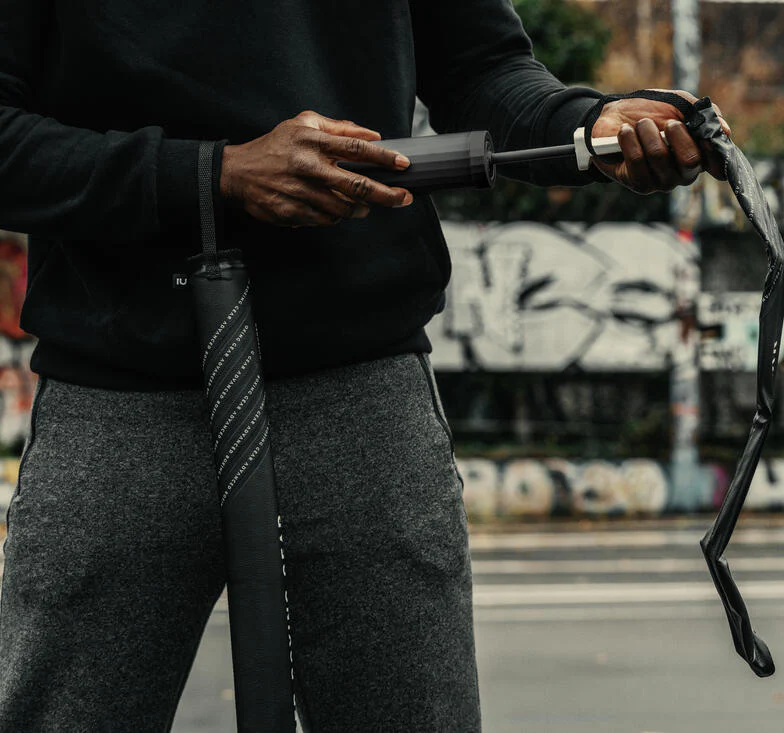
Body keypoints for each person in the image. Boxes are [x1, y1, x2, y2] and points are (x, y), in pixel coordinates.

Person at [0, 0, 730, 730]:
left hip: (360, 388)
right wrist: (210, 174)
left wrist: (586, 124)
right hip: (121, 396)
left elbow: (481, 67)